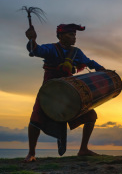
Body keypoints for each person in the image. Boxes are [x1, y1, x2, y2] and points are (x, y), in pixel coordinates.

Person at [24, 23, 106, 162]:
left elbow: (89, 62)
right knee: (35, 120)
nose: (74, 37)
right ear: (60, 36)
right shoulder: (51, 48)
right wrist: (32, 39)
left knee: (91, 115)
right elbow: (35, 50)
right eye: (70, 34)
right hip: (50, 89)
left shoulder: (76, 52)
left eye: (74, 35)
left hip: (70, 90)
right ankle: (31, 153)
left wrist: (103, 70)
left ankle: (83, 149)